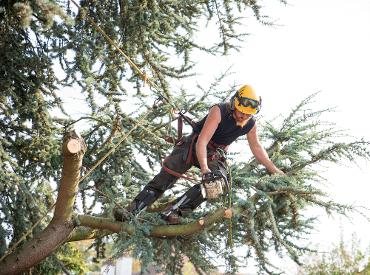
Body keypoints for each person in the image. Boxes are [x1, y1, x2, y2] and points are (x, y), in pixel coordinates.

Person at [114, 84, 284, 224]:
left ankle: (174, 212)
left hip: (214, 154)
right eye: (241, 112)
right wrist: (204, 168)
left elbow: (257, 148)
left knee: (216, 183)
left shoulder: (250, 124)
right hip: (194, 145)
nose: (243, 116)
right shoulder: (219, 111)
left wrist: (274, 169)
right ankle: (131, 210)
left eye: (248, 114)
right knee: (166, 177)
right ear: (234, 104)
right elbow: (202, 141)